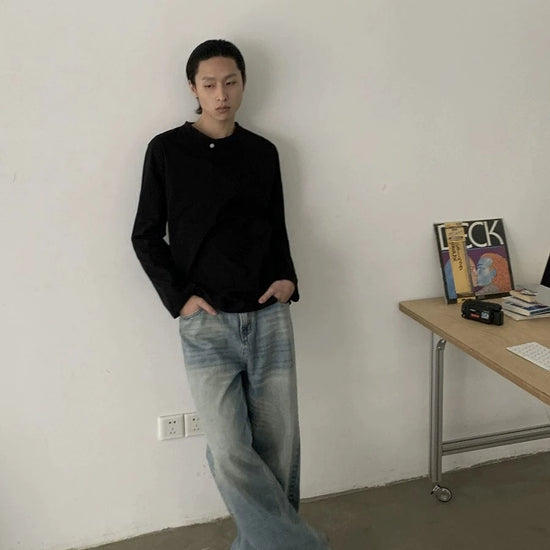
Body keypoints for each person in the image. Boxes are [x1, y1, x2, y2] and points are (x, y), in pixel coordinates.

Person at [131, 39, 331, 550]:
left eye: (230, 82)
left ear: (243, 83)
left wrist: (288, 279)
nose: (221, 94)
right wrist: (179, 299)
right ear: (193, 89)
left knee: (278, 448)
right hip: (206, 322)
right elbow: (146, 234)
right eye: (209, 84)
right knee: (227, 449)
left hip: (268, 315)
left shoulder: (263, 152)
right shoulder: (166, 150)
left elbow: (277, 225)